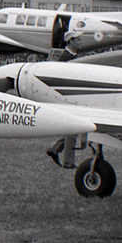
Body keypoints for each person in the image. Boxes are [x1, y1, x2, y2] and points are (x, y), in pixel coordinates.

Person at [46, 33, 84, 168]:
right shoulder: (65, 58)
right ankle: (68, 162)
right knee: (74, 129)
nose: (80, 41)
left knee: (75, 129)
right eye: (78, 39)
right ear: (70, 41)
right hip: (69, 97)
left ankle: (56, 149)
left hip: (73, 96)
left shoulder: (71, 56)